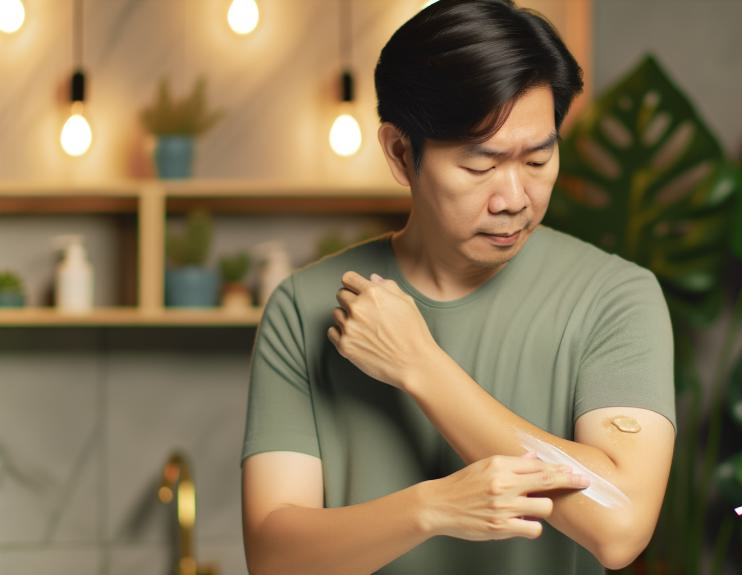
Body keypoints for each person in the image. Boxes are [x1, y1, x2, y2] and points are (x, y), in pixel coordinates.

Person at [240, 1, 676, 573]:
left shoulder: (614, 297)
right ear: (401, 154)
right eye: (480, 166)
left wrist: (420, 365)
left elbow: (620, 527)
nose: (514, 198)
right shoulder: (307, 307)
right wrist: (433, 507)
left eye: (539, 159)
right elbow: (275, 558)